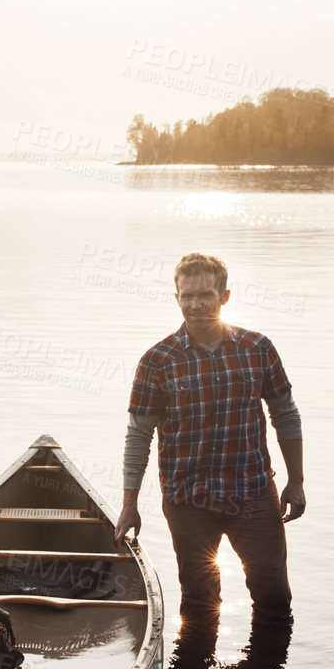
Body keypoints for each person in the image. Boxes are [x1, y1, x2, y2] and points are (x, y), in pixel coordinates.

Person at [113, 253, 305, 623]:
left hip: (252, 493)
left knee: (274, 598)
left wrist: (295, 482)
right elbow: (139, 435)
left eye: (205, 295)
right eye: (187, 296)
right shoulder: (158, 359)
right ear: (176, 298)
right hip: (188, 499)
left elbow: (285, 414)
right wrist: (129, 503)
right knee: (200, 602)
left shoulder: (257, 349)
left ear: (225, 296)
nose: (196, 304)